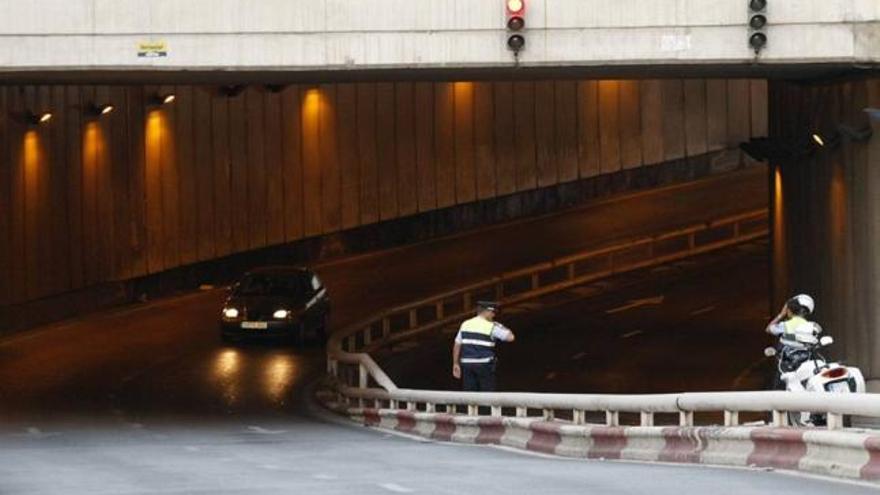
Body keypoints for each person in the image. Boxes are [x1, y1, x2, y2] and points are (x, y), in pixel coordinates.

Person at [452, 301, 515, 392]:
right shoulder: (491, 326)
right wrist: (500, 325)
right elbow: (510, 338)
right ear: (487, 311)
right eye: (493, 312)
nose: (494, 315)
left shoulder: (465, 324)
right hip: (485, 364)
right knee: (487, 395)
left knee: (470, 395)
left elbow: (457, 344)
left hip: (467, 364)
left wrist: (455, 363)